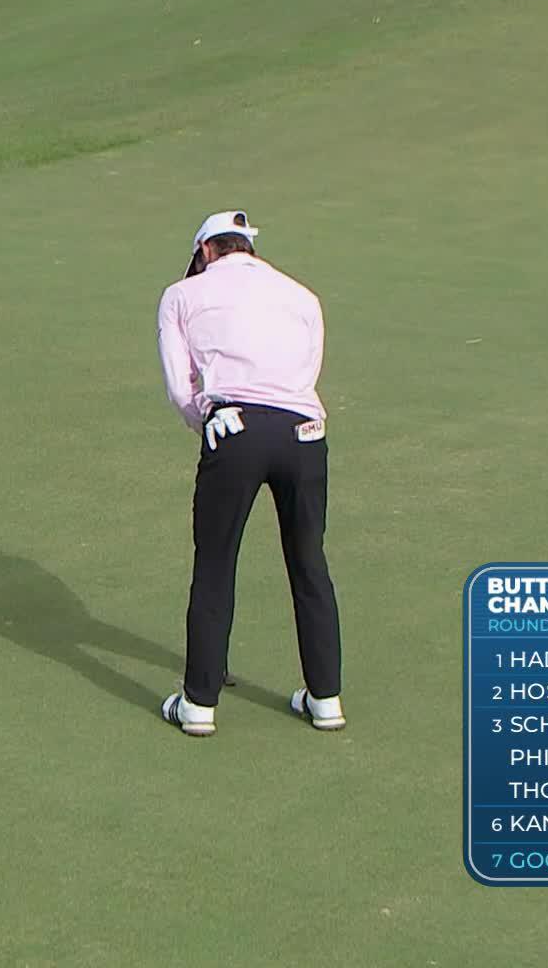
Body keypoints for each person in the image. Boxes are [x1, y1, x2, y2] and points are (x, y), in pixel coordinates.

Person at [155, 210, 345, 737]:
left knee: (215, 563)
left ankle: (199, 704)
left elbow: (180, 387)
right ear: (246, 246)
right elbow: (306, 371)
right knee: (309, 561)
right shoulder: (302, 296)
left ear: (205, 251)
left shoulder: (180, 295)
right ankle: (325, 699)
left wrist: (209, 421)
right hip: (304, 432)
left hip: (234, 429)